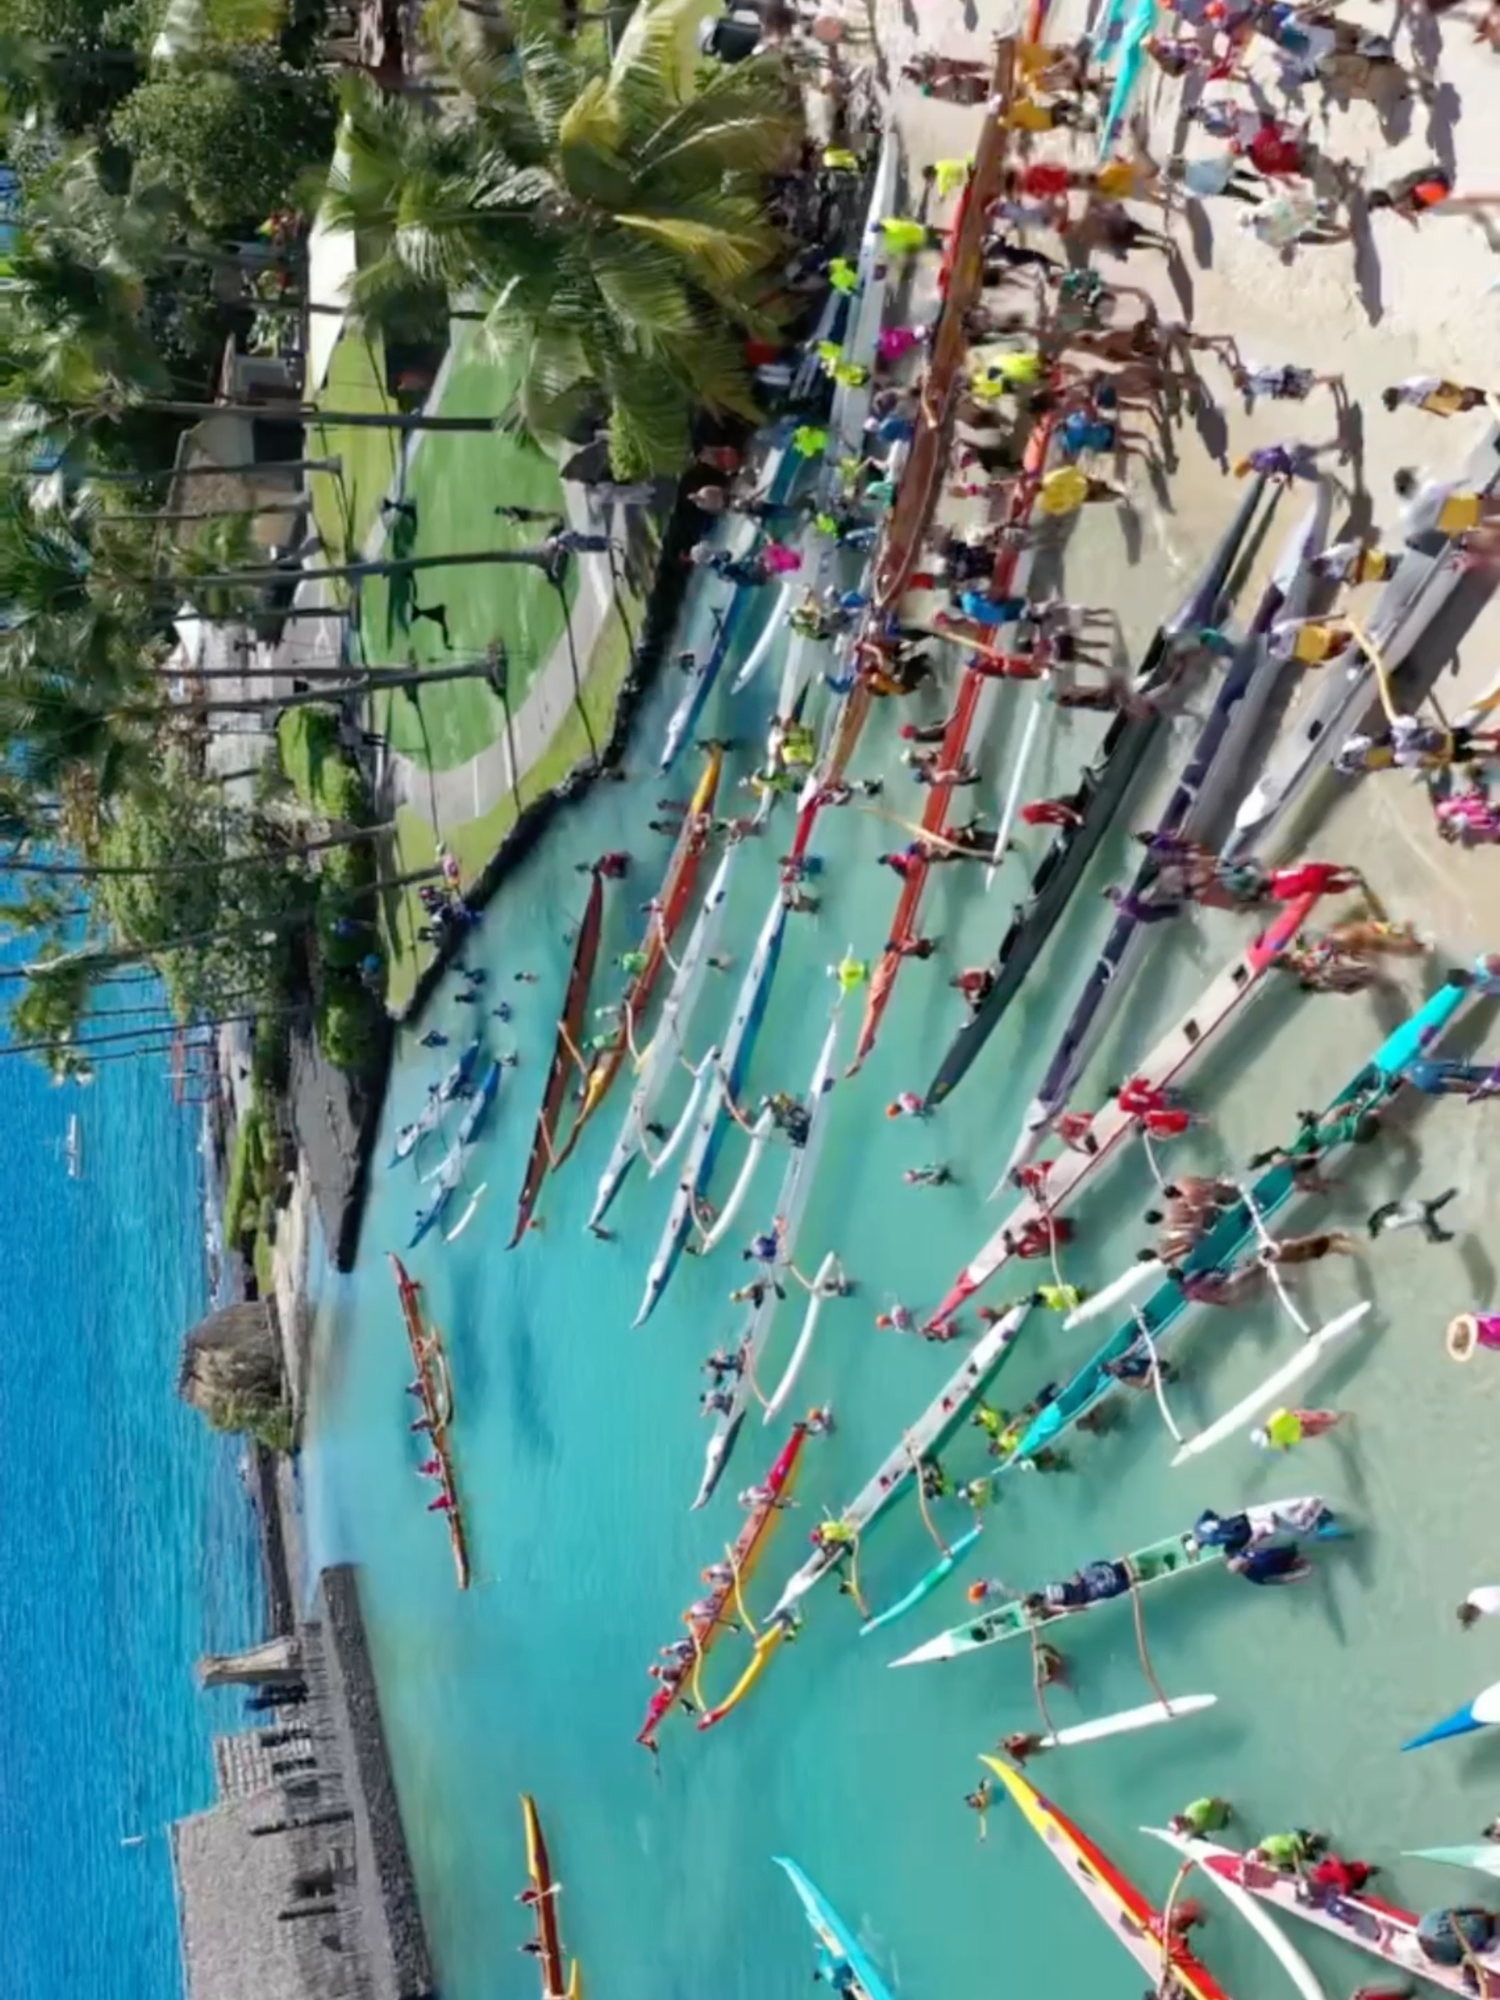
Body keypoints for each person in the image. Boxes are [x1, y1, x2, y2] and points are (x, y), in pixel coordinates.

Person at [1368, 1189, 1460, 1243]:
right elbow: (1404, 1218)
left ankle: (1453, 1192)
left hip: (1418, 1211)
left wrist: (1420, 1217)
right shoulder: (1384, 1215)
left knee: (1433, 1234)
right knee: (1435, 1205)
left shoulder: (1388, 1222)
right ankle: (1453, 1191)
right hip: (1415, 1208)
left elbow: (1406, 1220)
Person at [1251, 1406, 1346, 1450]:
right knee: (1320, 1431)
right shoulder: (1269, 1443)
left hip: (1299, 1420)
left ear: (1264, 1429)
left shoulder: (1272, 1421)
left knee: (1330, 1421)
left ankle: (1337, 1417)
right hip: (1300, 1433)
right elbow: (1281, 1442)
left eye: (1267, 1436)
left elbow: (1284, 1411)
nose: (1269, 1438)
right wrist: (1285, 1445)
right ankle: (1332, 1426)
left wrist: (1298, 1419)